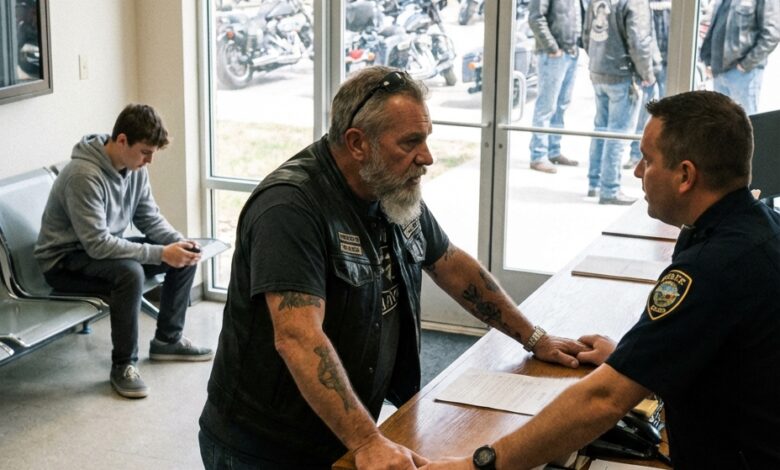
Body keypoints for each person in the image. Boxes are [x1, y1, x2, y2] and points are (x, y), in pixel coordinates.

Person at [198, 66, 591, 470]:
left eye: (426, 138)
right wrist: (367, 440)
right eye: (410, 142)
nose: (427, 157)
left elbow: (450, 263)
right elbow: (298, 337)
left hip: (339, 432)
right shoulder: (290, 208)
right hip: (265, 447)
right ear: (357, 143)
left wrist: (535, 337)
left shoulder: (388, 186)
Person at [421, 90, 780, 469]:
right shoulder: (760, 227)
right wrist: (634, 361)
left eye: (648, 160)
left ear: (685, 175)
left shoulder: (710, 268)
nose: (637, 172)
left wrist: (481, 464)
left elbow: (603, 399)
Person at [34, 104, 213, 399]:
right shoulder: (83, 175)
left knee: (184, 253)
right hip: (64, 261)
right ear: (121, 141)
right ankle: (124, 365)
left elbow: (149, 218)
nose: (149, 160)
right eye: (145, 152)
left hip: (100, 251)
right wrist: (161, 253)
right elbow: (97, 244)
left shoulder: (135, 169)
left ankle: (167, 340)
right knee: (130, 273)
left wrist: (178, 243)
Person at [582, 0, 658, 205]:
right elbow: (639, 41)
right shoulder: (635, 2)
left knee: (601, 129)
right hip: (622, 74)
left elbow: (587, 33)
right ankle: (609, 188)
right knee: (617, 133)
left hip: (599, 70)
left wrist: (596, 62)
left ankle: (594, 183)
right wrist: (647, 74)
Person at [526, 0, 583, 173]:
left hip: (571, 51)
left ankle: (553, 150)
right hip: (553, 54)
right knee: (546, 106)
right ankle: (538, 156)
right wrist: (552, 48)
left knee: (561, 105)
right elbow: (535, 18)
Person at [700, 0, 780, 116]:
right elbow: (716, 26)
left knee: (746, 120)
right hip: (719, 72)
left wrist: (745, 64)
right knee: (721, 122)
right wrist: (708, 60)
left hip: (744, 74)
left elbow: (772, 34)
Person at [625, 0, 670, 170]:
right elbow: (639, 36)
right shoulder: (641, 5)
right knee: (645, 112)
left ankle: (661, 156)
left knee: (667, 116)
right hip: (648, 62)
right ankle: (637, 154)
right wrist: (645, 69)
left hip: (669, 59)